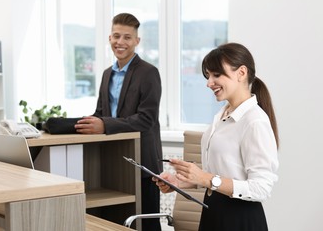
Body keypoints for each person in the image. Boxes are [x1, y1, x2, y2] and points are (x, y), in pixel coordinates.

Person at [154, 43, 279, 231]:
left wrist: (205, 178)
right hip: (213, 213)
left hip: (240, 220)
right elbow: (221, 174)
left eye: (216, 75)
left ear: (241, 73)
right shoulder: (221, 115)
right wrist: (181, 182)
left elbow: (261, 188)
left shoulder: (254, 121)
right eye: (208, 76)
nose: (209, 82)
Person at [75, 13, 163, 231]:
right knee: (116, 221)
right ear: (109, 38)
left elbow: (146, 119)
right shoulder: (107, 74)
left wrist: (105, 125)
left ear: (136, 41)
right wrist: (85, 123)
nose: (120, 42)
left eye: (127, 37)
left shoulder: (149, 73)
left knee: (146, 223)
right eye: (116, 36)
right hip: (113, 160)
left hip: (143, 162)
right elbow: (101, 112)